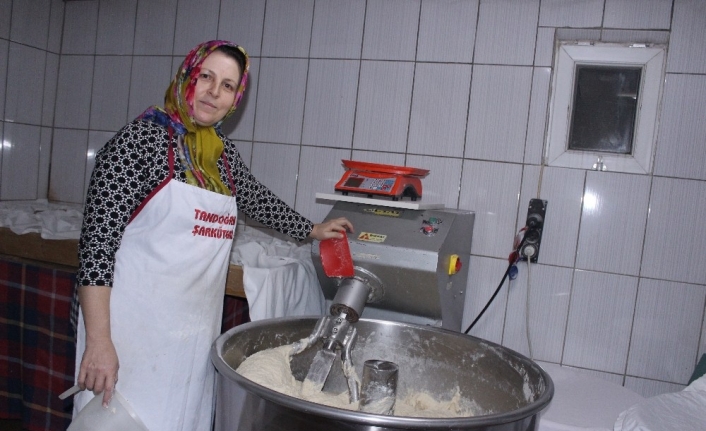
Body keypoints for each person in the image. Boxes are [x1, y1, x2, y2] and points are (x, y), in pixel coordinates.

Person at [72, 40, 352, 431]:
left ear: (236, 98)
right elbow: (96, 250)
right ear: (187, 76)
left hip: (190, 340)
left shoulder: (220, 155)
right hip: (129, 337)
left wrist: (311, 229)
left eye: (227, 85)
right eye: (206, 77)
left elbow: (255, 198)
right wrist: (99, 343)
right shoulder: (138, 143)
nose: (213, 93)